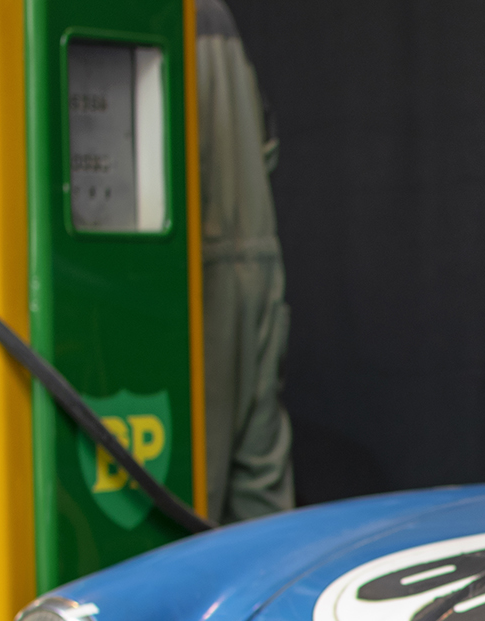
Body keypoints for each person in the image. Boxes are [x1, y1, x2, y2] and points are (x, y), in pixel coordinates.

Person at [196, 0, 294, 522]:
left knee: (182, 504)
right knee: (263, 500)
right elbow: (266, 146)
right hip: (257, 264)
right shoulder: (214, 14)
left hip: (187, 281)